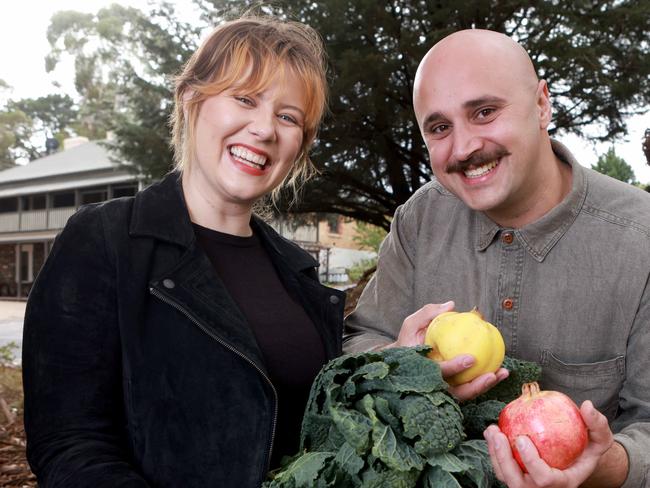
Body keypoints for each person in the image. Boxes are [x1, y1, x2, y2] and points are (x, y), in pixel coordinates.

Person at [22, 15, 345, 487]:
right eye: (245, 98)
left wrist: (393, 362)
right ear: (192, 97)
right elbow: (69, 444)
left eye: (288, 116)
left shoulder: (299, 274)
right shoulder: (105, 240)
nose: (264, 129)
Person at [344, 29, 650, 488]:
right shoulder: (420, 219)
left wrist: (602, 467)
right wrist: (399, 363)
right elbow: (361, 340)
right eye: (440, 127)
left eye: (484, 112)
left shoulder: (640, 239)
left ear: (542, 105)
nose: (465, 148)